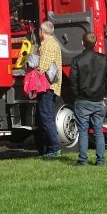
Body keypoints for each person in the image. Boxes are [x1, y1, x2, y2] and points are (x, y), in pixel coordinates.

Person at [68, 32, 107, 165]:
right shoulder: (103, 59)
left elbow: (72, 81)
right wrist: (104, 93)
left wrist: (77, 94)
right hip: (98, 100)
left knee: (83, 131)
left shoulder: (77, 60)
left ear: (83, 43)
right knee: (98, 131)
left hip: (82, 100)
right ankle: (100, 160)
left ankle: (83, 160)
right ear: (96, 43)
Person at [35, 20, 63, 158]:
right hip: (53, 86)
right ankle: (51, 148)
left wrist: (31, 70)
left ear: (42, 31)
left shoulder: (47, 45)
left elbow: (43, 66)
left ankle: (55, 148)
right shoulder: (55, 43)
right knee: (49, 117)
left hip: (46, 86)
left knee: (45, 117)